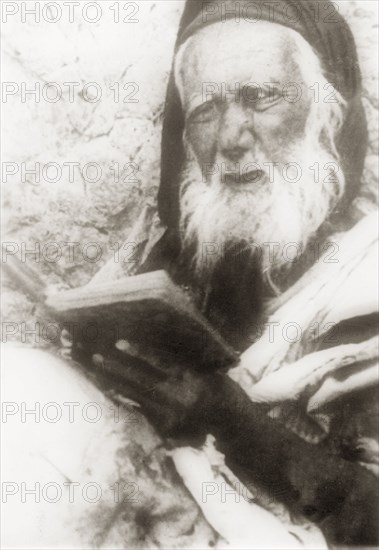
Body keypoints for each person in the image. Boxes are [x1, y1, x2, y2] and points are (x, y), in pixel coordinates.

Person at [3, 0, 378, 547]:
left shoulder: (366, 281)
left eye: (260, 97)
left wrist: (227, 420)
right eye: (205, 109)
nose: (231, 136)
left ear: (328, 114)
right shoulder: (165, 250)